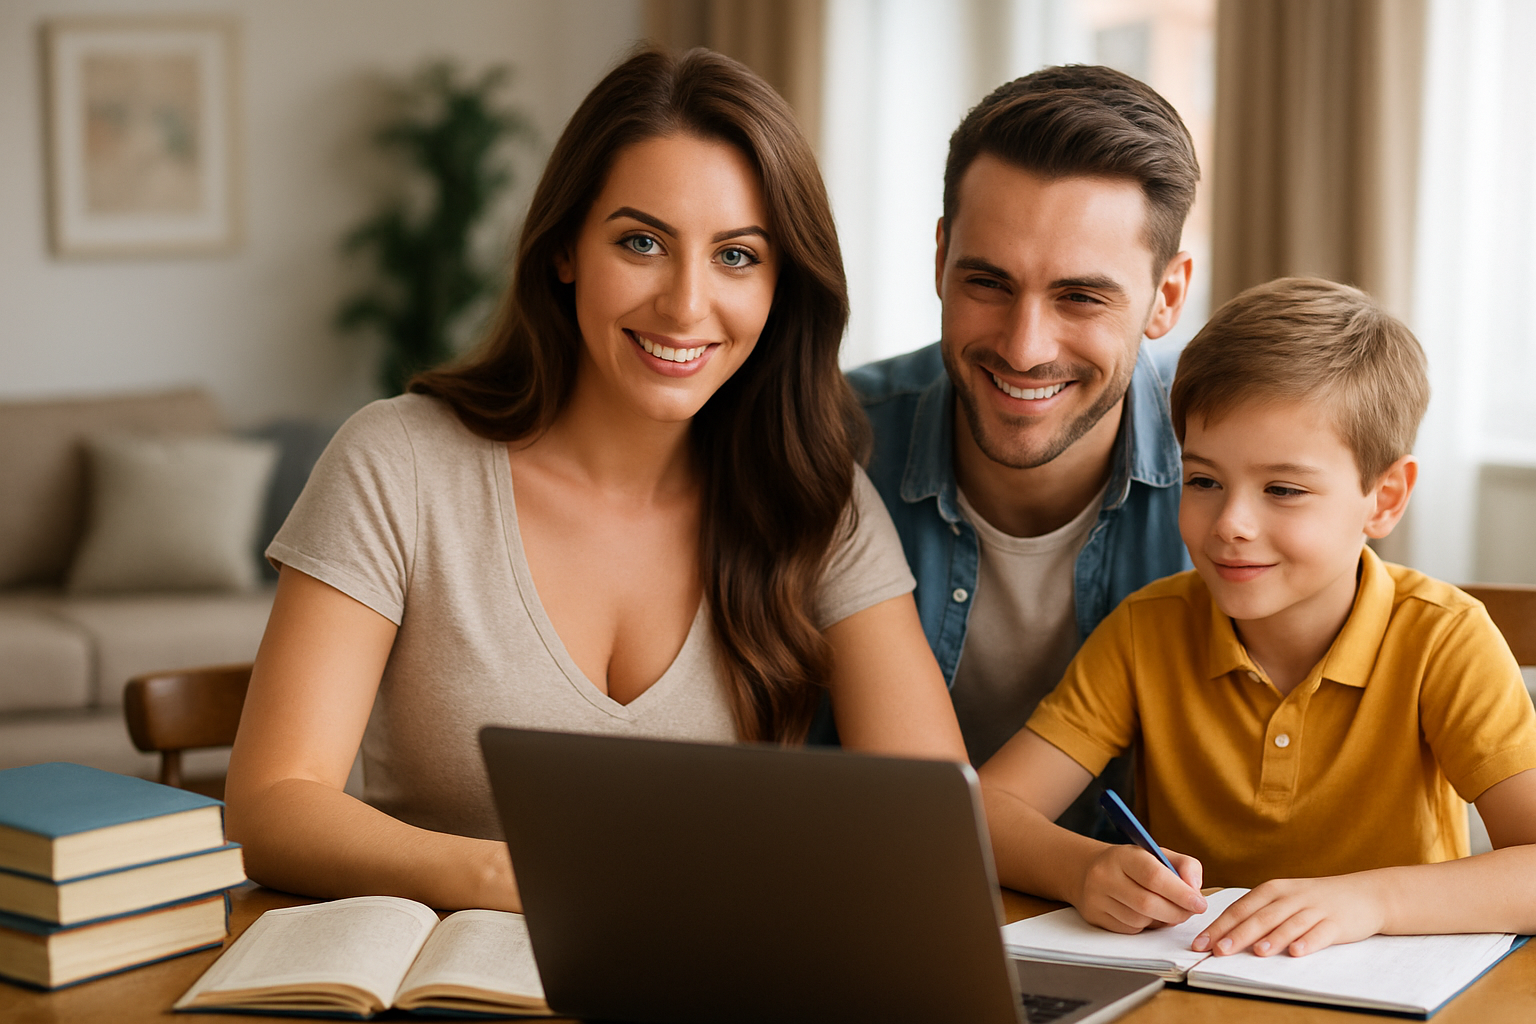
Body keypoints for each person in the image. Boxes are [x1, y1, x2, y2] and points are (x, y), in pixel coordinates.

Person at [225, 48, 966, 912]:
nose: (687, 306)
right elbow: (271, 804)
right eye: (642, 242)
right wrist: (515, 878)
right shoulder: (398, 463)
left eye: (736, 257)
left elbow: (934, 822)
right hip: (451, 983)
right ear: (567, 248)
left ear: (780, 284)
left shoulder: (812, 496)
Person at [979, 277, 1536, 956]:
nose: (1232, 525)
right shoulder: (1144, 632)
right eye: (1205, 480)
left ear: (1384, 498)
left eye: (1283, 489)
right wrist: (1084, 868)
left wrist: (1372, 898)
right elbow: (986, 811)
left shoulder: (1442, 639)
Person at [831, 65, 1199, 832]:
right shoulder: (825, 445)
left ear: (1166, 297)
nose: (1025, 348)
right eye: (989, 284)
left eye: (1080, 296)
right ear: (940, 261)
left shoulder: (1245, 489)